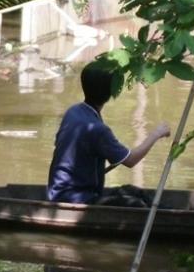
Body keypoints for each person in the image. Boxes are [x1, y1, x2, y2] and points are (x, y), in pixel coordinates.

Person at [47, 61, 170, 204]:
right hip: (74, 197)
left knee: (135, 192)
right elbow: (131, 160)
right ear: (110, 92)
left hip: (59, 191)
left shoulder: (73, 111)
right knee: (136, 204)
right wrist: (156, 134)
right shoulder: (97, 129)